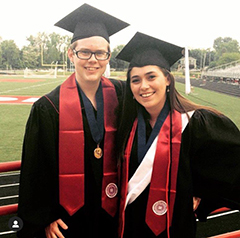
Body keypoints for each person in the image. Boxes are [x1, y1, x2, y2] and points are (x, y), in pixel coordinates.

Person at [17, 4, 129, 238]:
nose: (93, 60)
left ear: (108, 56)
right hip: (68, 222)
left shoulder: (123, 95)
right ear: (71, 54)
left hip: (114, 215)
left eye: (101, 53)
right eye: (85, 52)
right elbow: (35, 170)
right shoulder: (48, 107)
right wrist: (45, 217)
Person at [116, 32, 240, 238]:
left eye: (151, 76)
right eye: (135, 80)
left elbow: (232, 167)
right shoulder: (127, 125)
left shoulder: (197, 123)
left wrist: (203, 197)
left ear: (167, 79)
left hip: (175, 228)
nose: (143, 86)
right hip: (128, 228)